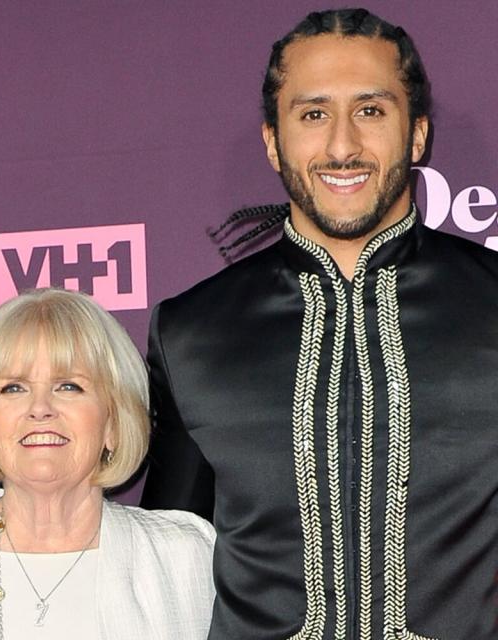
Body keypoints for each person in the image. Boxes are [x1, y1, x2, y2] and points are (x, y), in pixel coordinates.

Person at [140, 8, 498, 640]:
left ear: (417, 135)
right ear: (273, 140)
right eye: (312, 114)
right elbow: (170, 559)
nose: (341, 146)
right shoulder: (192, 333)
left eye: (370, 110)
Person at [0, 287, 215, 640]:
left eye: (68, 386)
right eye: (13, 388)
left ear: (113, 424)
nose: (40, 408)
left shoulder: (188, 556)